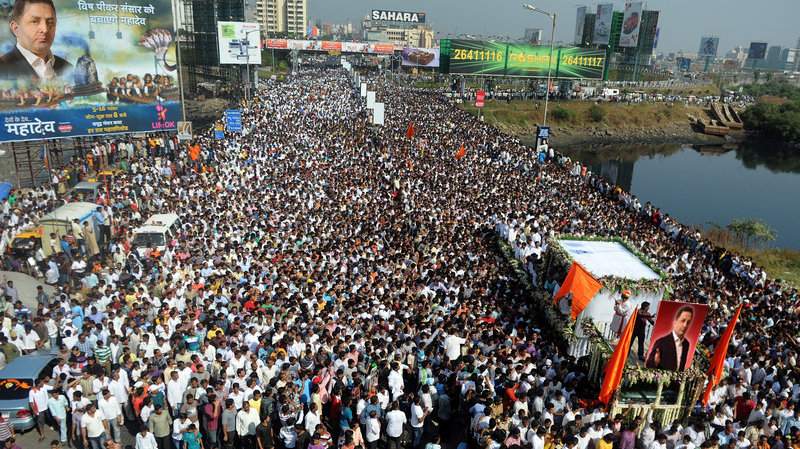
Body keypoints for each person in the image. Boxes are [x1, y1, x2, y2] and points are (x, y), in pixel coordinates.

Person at [0, 0, 72, 82]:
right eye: (35, 22)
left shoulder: (68, 68)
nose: (45, 29)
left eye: (50, 22)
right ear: (16, 29)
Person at [646, 305, 695, 371]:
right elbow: (649, 365)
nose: (685, 325)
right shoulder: (661, 342)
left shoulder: (686, 344)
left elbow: (681, 366)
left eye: (688, 322)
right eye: (683, 320)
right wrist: (654, 363)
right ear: (675, 322)